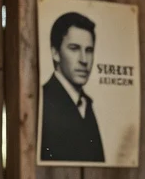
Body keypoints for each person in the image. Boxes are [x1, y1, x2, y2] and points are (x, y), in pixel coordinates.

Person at [40, 11, 104, 163]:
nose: (84, 60)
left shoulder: (86, 104)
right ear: (55, 53)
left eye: (89, 50)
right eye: (74, 48)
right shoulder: (44, 99)